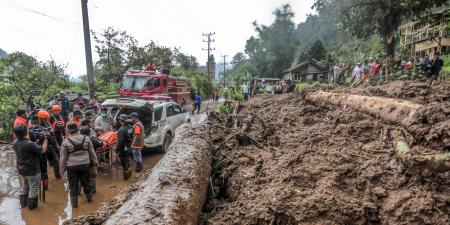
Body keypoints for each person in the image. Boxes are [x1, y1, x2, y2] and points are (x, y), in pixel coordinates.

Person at [59, 123, 98, 208]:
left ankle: (75, 206)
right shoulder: (86, 138)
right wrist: (95, 162)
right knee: (86, 183)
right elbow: (92, 153)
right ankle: (90, 200)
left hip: (72, 166)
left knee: (73, 185)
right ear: (78, 130)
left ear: (68, 131)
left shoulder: (66, 142)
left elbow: (63, 158)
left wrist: (61, 171)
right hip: (85, 164)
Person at [13, 126, 42, 210]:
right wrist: (46, 140)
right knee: (33, 189)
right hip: (32, 170)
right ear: (26, 133)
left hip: (22, 169)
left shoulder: (15, 143)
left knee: (25, 186)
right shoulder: (29, 144)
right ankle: (32, 210)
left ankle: (23, 206)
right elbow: (42, 150)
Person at [28, 115, 51, 191]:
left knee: (33, 171)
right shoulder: (45, 129)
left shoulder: (27, 130)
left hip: (30, 155)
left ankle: (33, 187)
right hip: (42, 153)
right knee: (44, 171)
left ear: (31, 122)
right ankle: (45, 187)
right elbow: (49, 138)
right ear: (39, 121)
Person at [37, 110, 61, 180]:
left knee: (56, 161)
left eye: (48, 118)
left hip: (50, 146)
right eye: (45, 118)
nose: (47, 120)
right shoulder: (35, 127)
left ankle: (58, 177)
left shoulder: (47, 123)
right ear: (40, 119)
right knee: (43, 165)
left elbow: (53, 135)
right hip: (41, 147)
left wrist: (56, 145)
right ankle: (44, 183)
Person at [80, 126, 102, 194]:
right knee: (92, 176)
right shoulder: (92, 139)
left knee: (80, 176)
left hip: (80, 161)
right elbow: (101, 144)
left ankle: (78, 192)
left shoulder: (76, 139)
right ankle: (93, 191)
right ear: (89, 133)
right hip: (91, 161)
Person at [116, 114, 133, 180]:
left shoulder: (121, 130)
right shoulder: (131, 127)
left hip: (124, 148)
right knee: (127, 159)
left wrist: (117, 150)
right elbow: (132, 136)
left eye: (119, 119)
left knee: (124, 161)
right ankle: (129, 173)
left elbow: (120, 142)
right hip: (129, 146)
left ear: (121, 120)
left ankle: (126, 177)